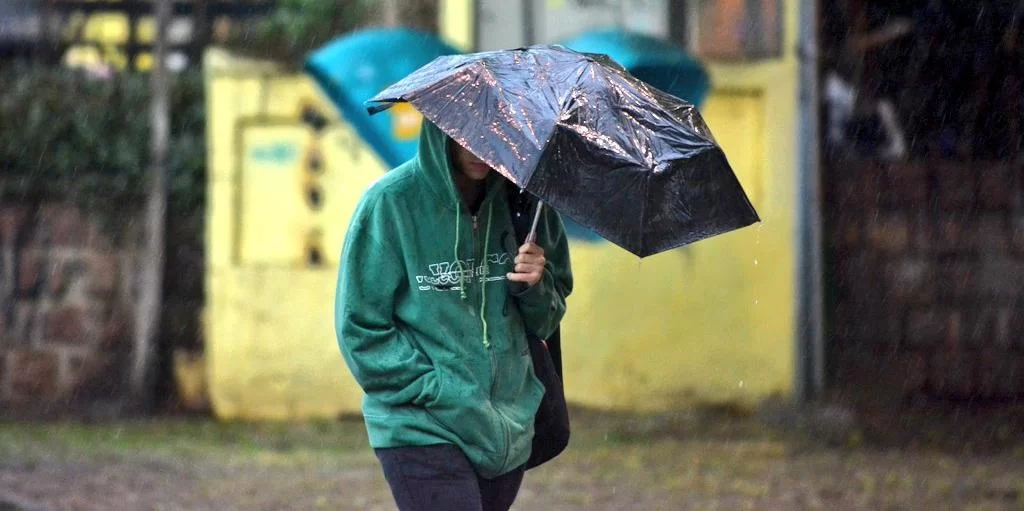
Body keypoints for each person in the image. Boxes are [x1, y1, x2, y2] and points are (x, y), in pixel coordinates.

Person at [334, 118, 573, 511]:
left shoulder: (528, 209)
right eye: (468, 134)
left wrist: (534, 285)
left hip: (505, 428)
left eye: (496, 135)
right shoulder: (391, 204)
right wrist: (439, 388)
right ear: (441, 127)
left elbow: (546, 321)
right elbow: (360, 328)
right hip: (421, 425)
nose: (481, 149)